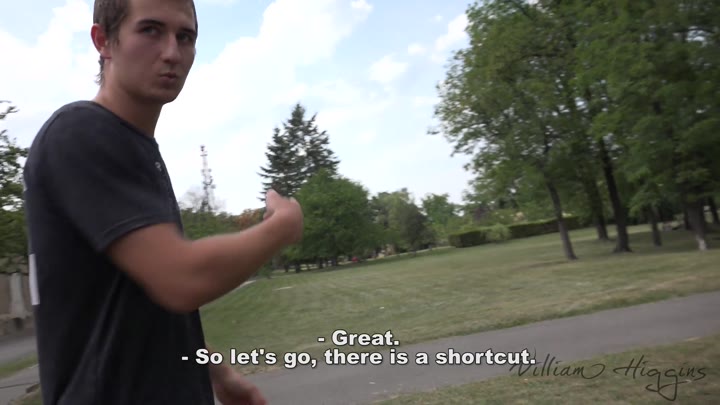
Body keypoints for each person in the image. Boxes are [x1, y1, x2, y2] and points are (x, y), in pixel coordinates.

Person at [22, 0, 303, 403]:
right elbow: (181, 278)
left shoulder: (134, 150)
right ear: (103, 40)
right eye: (151, 30)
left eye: (185, 37)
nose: (172, 52)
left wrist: (218, 373)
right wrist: (281, 227)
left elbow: (144, 294)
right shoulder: (80, 133)